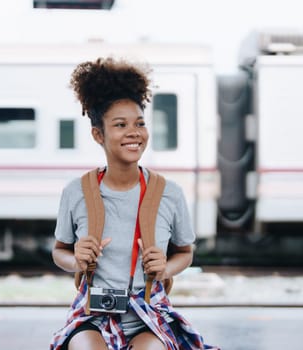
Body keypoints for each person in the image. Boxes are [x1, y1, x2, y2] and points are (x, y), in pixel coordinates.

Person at [50, 57, 218, 350]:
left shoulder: (170, 193)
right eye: (120, 125)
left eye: (139, 123)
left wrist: (165, 268)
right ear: (98, 134)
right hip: (94, 314)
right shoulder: (76, 192)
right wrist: (76, 259)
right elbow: (59, 252)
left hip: (149, 313)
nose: (134, 132)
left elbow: (185, 253)